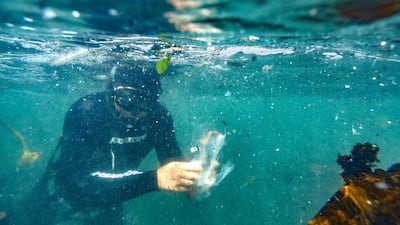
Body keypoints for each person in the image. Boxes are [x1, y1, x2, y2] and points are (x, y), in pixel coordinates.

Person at [25, 62, 203, 225]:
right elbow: (76, 187)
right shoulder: (86, 111)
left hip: (111, 203)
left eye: (145, 104)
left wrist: (199, 165)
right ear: (112, 89)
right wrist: (153, 180)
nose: (134, 113)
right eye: (127, 100)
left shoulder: (159, 116)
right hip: (58, 201)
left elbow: (172, 163)